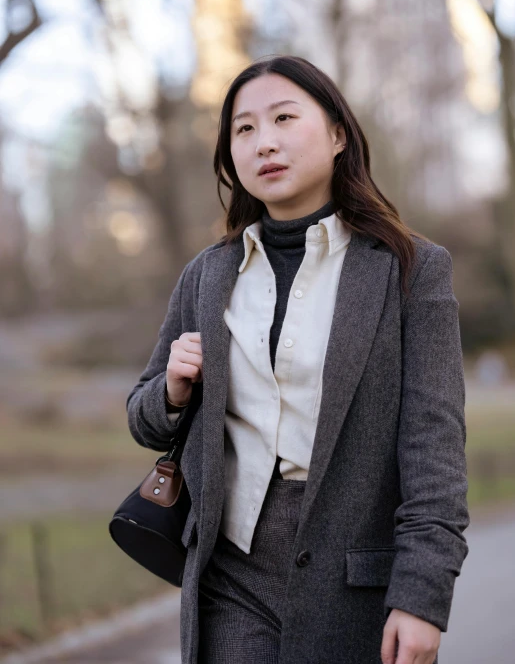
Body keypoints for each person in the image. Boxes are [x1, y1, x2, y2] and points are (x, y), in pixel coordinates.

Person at [126, 55, 470, 664]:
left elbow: (433, 445)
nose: (266, 142)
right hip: (230, 576)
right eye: (245, 129)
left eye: (285, 117)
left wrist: (423, 596)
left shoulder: (410, 269)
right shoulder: (208, 274)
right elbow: (144, 418)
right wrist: (173, 389)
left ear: (339, 134)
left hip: (355, 580)